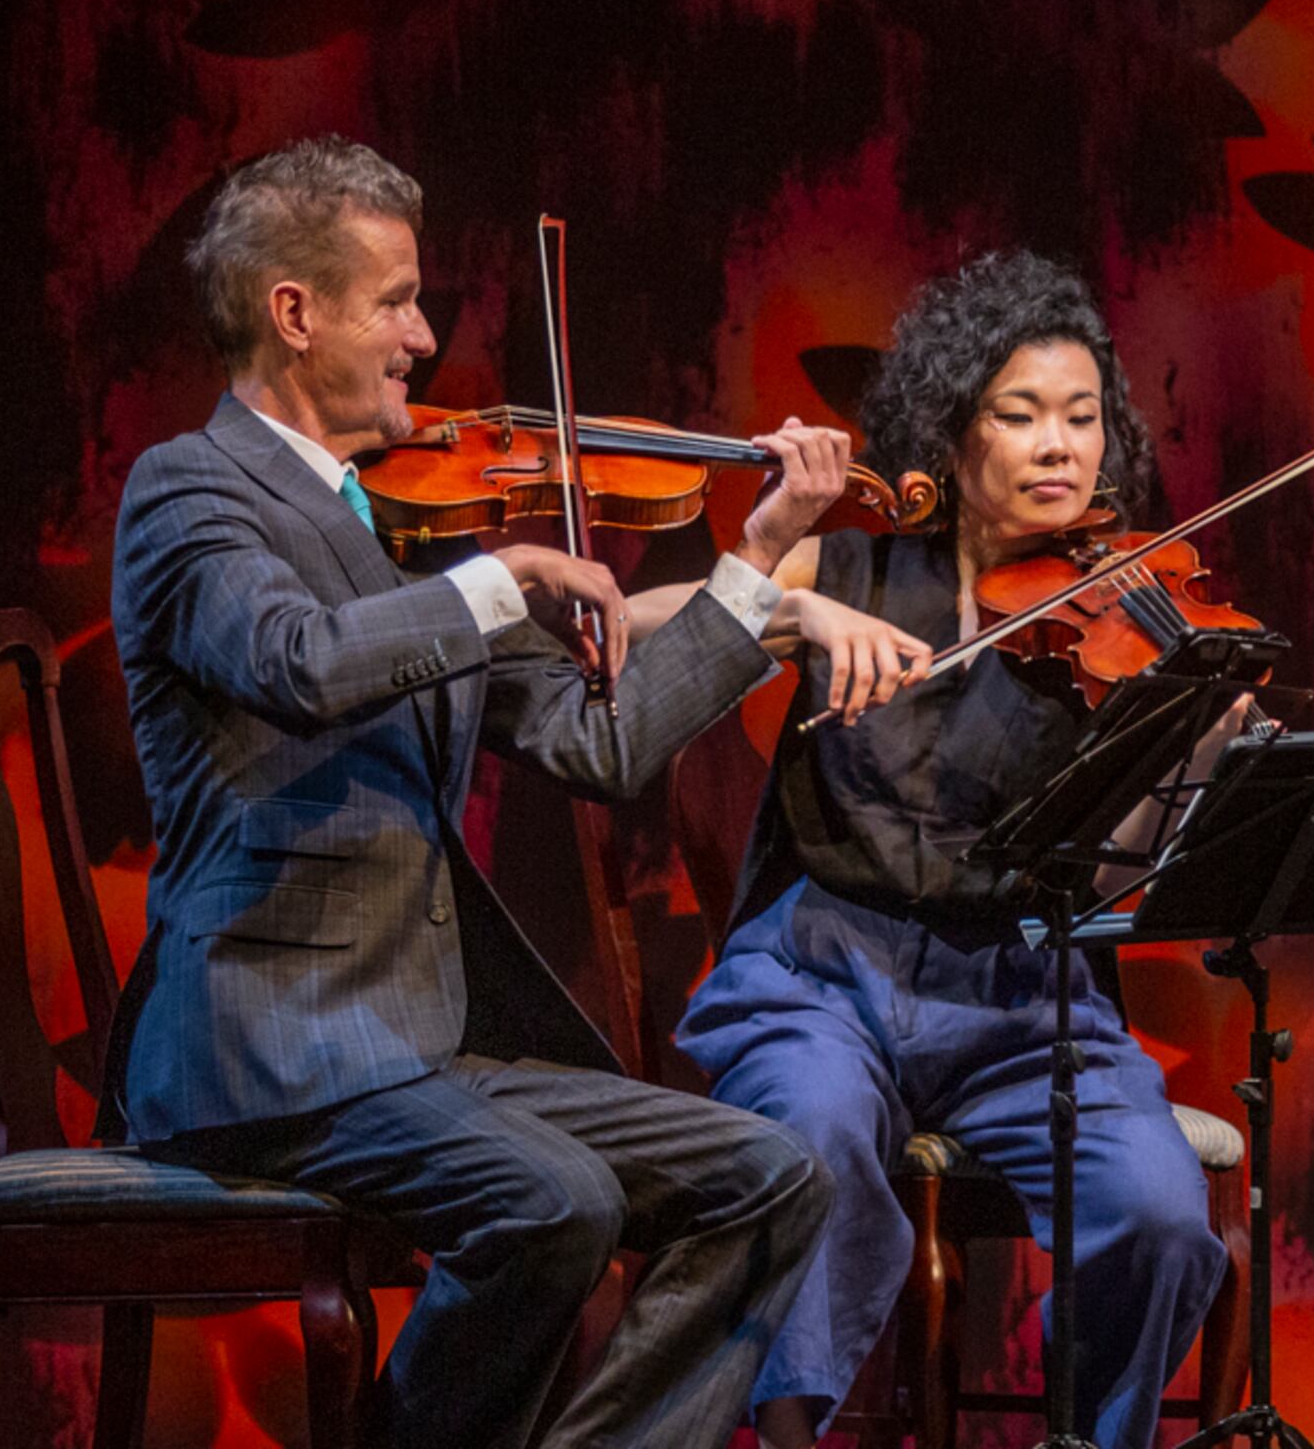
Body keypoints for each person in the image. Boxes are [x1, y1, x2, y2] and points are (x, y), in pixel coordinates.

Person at [110, 135, 858, 1446]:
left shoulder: (397, 532)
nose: (419, 334)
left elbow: (598, 742)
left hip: (417, 1046)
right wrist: (502, 582)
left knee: (771, 1177)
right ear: (295, 313)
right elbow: (298, 662)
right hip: (269, 1048)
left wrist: (757, 560)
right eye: (394, 299)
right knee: (555, 1200)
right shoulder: (188, 493)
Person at [673, 248, 1236, 1449]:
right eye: (1020, 415)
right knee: (809, 1135)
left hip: (1028, 998)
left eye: (1082, 418)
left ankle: (1085, 1436)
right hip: (824, 977)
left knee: (1160, 1214)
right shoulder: (858, 565)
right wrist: (792, 601)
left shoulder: (1126, 615)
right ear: (952, 428)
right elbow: (632, 628)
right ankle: (788, 1434)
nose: (1059, 447)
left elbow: (1120, 873)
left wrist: (1186, 754)